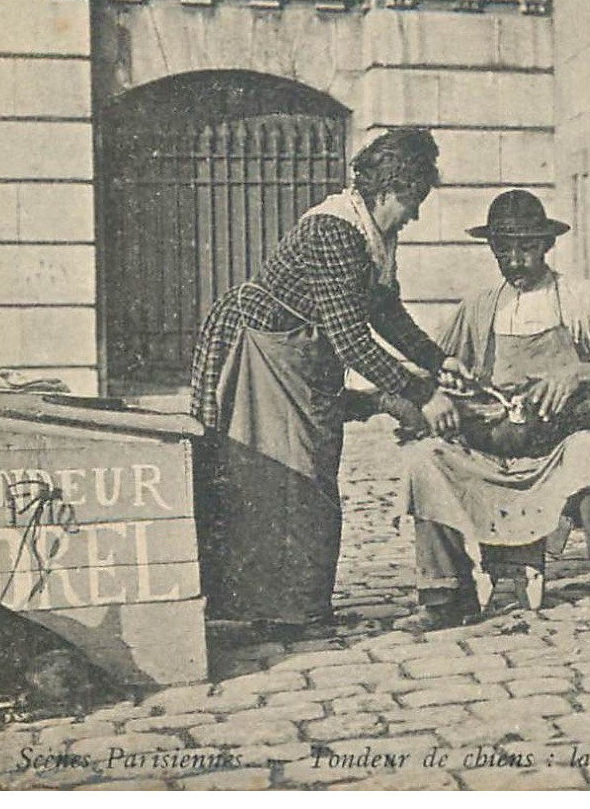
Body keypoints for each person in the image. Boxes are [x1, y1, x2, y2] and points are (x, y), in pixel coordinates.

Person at [187, 128, 470, 632]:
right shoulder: (334, 230)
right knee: (280, 480)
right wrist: (422, 394)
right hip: (261, 351)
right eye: (413, 200)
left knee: (309, 478)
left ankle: (299, 607)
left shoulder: (374, 235)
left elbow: (384, 311)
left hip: (297, 354)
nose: (416, 214)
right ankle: (280, 613)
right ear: (387, 190)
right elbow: (351, 342)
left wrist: (436, 359)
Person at [399, 190, 590, 633]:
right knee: (426, 460)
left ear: (546, 245)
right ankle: (445, 595)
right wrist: (449, 382)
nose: (515, 260)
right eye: (504, 250)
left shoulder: (580, 298)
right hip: (493, 448)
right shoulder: (480, 307)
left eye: (526, 248)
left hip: (555, 451)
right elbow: (430, 365)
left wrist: (577, 374)